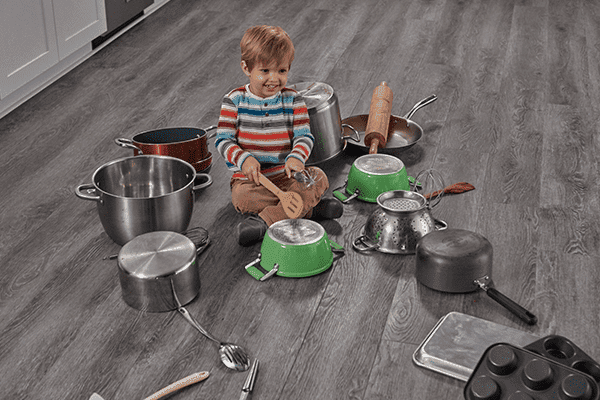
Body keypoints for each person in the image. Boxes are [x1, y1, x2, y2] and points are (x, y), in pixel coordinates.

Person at [215, 25, 343, 246]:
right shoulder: (234, 100)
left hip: (288, 177)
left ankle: (267, 220)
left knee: (319, 176)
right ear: (246, 68)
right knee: (241, 198)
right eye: (265, 71)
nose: (274, 79)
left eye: (281, 71)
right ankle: (308, 209)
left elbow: (304, 136)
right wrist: (243, 160)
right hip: (253, 181)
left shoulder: (293, 100)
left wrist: (296, 157)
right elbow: (223, 140)